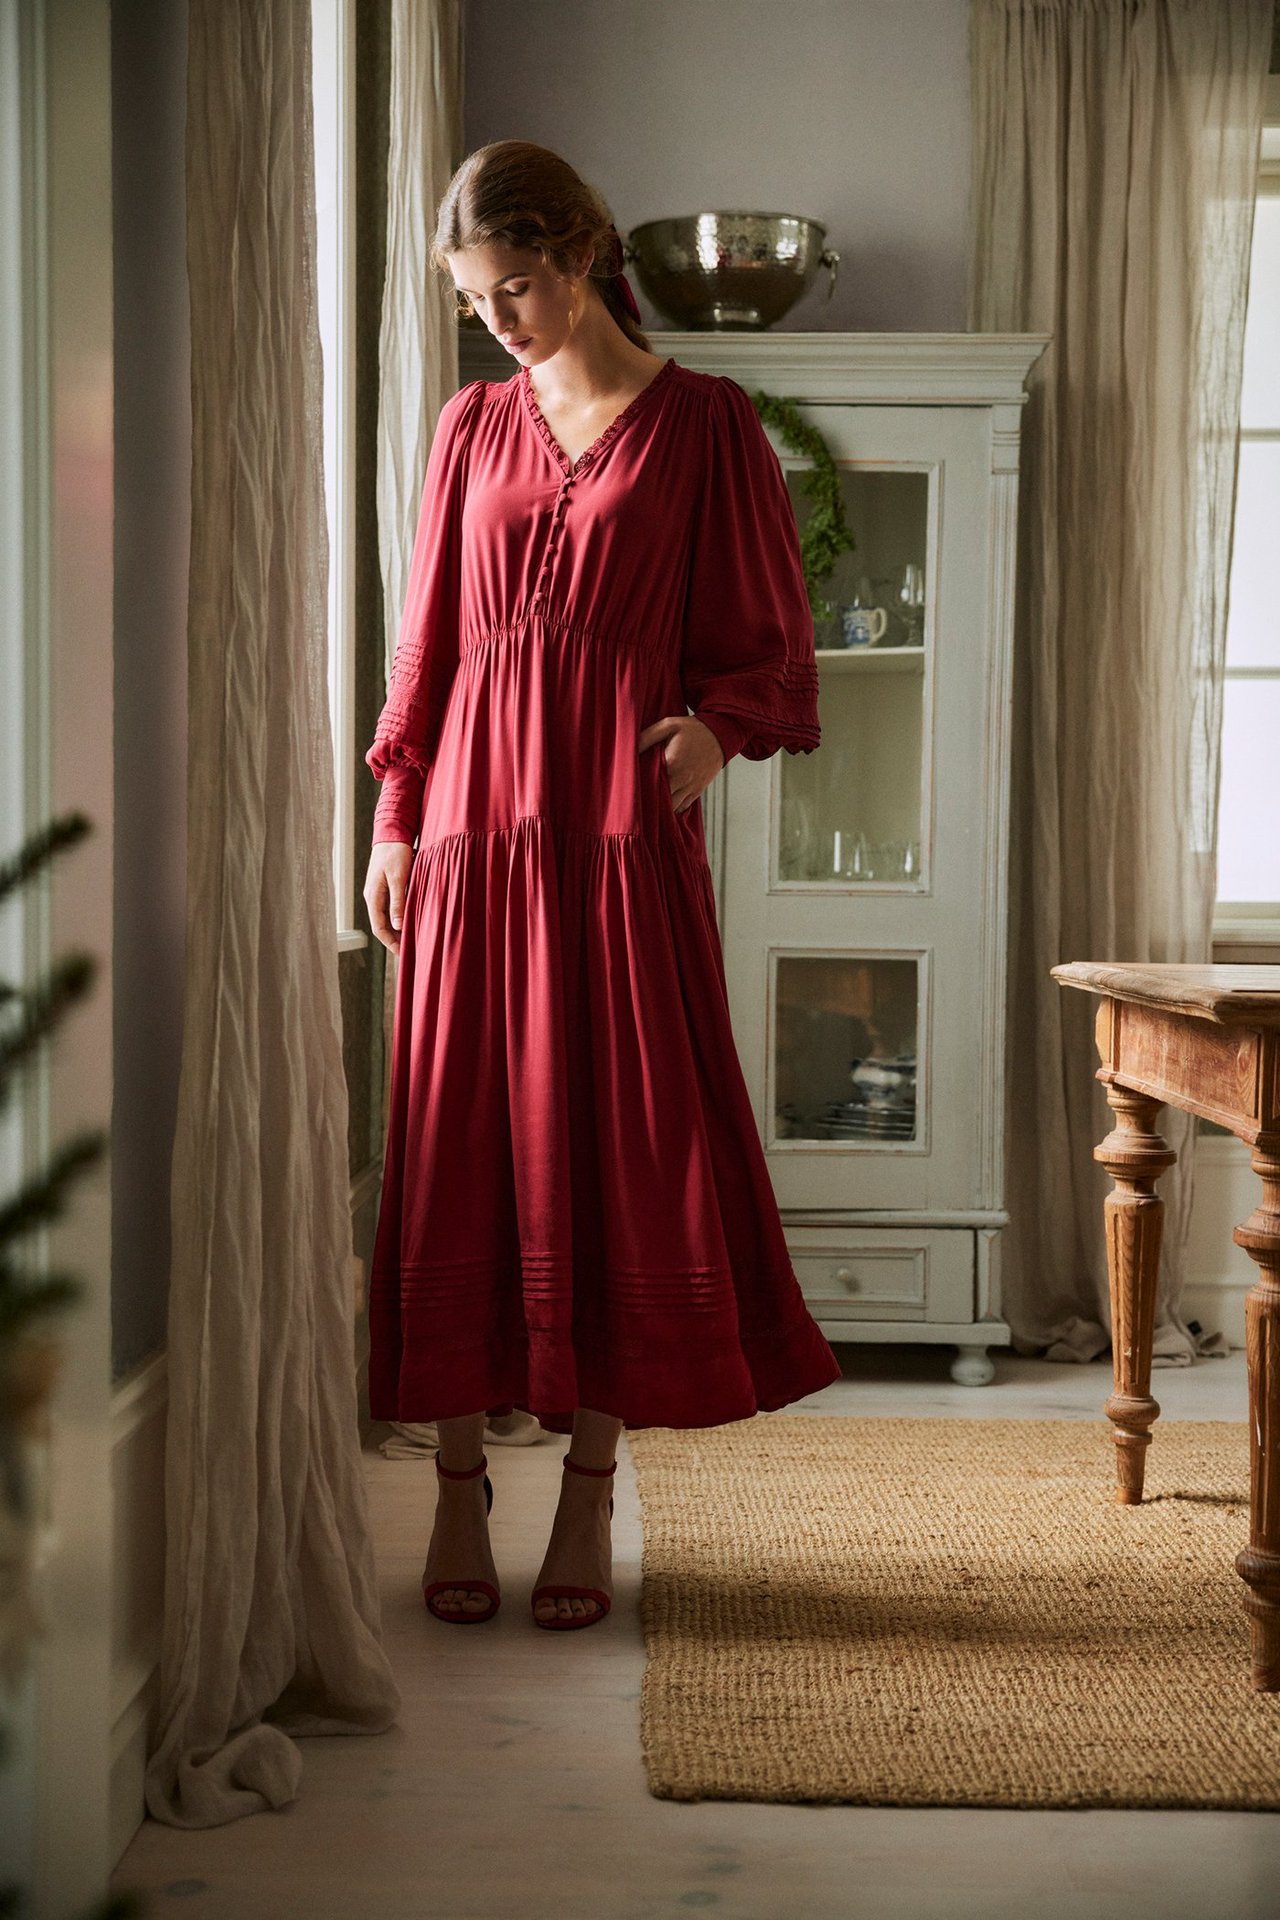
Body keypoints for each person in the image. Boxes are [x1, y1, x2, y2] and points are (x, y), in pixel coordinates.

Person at [362, 140, 841, 1633]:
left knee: (625, 1142)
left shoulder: (707, 426)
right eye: (475, 300)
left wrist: (715, 732)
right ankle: (457, 1483)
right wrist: (394, 816)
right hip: (471, 838)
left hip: (619, 838)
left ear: (580, 255)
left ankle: (587, 1487)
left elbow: (766, 643)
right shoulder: (469, 426)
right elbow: (430, 642)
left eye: (515, 287)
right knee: (460, 1137)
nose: (498, 320)